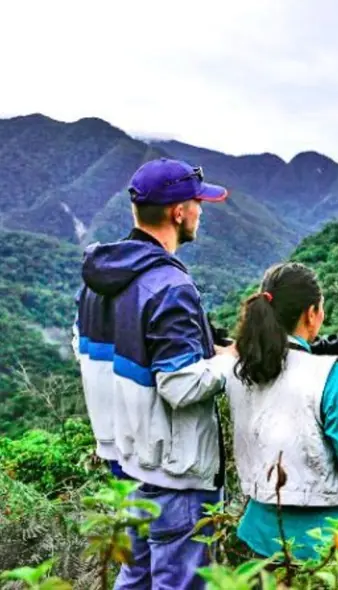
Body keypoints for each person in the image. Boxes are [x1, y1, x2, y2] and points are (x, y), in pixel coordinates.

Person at [77, 158, 235, 589]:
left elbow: (97, 351)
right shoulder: (170, 287)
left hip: (126, 463)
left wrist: (206, 351)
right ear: (178, 212)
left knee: (135, 577)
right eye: (197, 203)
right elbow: (179, 385)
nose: (201, 211)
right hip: (173, 474)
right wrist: (230, 361)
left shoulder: (96, 281)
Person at [226, 262, 338, 561]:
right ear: (311, 314)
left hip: (260, 536)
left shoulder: (241, 371)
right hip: (328, 545)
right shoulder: (328, 374)